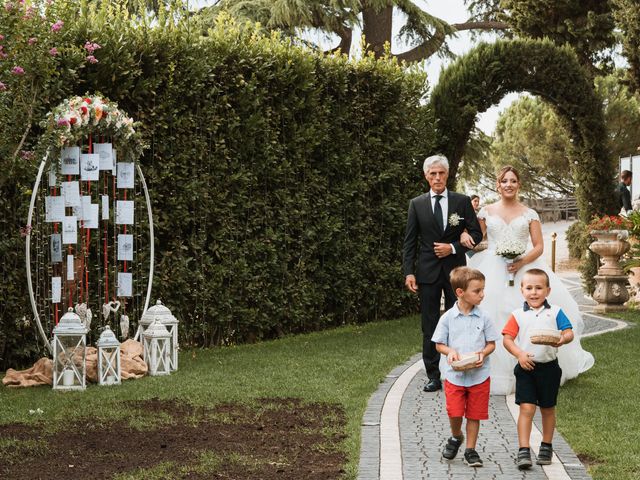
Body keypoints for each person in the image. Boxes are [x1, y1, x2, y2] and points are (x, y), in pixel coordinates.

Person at [460, 165, 593, 395]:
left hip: (525, 268)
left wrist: (521, 262)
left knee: (529, 313)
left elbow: (539, 246)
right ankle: (493, 370)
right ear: (498, 185)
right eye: (504, 181)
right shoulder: (486, 212)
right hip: (493, 267)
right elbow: (474, 235)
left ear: (518, 184)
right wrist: (463, 234)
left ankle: (533, 365)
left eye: (513, 181)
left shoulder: (529, 213)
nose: (508, 185)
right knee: (492, 313)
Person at [402, 155, 483, 392]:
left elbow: (476, 234)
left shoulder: (461, 201)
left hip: (456, 272)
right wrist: (409, 272)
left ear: (447, 175)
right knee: (430, 324)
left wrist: (454, 247)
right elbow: (410, 242)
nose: (437, 178)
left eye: (441, 173)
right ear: (426, 176)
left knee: (457, 320)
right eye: (432, 174)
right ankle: (433, 375)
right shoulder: (416, 204)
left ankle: (456, 370)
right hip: (426, 273)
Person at [502, 269, 574, 470]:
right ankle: (523, 450)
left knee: (548, 408)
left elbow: (569, 332)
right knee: (526, 408)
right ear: (522, 290)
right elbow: (507, 339)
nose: (534, 292)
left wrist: (563, 338)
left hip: (549, 369)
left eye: (539, 288)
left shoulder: (556, 312)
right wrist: (519, 354)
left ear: (548, 291)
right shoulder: (517, 315)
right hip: (526, 368)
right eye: (529, 288)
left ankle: (546, 445)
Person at [432, 267, 499, 467]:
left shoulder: (484, 317)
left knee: (474, 414)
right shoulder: (447, 318)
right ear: (460, 292)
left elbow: (492, 343)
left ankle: (471, 450)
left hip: (479, 375)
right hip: (455, 375)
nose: (482, 294)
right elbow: (438, 344)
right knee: (454, 412)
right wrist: (450, 351)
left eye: (483, 290)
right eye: (477, 291)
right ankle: (456, 436)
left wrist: (483, 353)